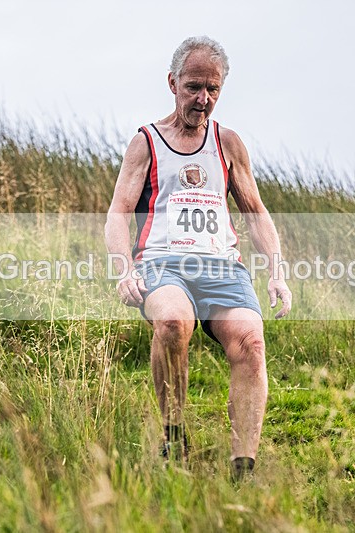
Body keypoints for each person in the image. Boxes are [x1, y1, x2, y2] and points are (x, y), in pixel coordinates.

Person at [104, 36, 292, 480]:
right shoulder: (146, 142)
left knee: (251, 343)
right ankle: (173, 438)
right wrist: (123, 269)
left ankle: (242, 469)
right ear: (172, 83)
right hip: (162, 263)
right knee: (173, 323)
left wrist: (277, 274)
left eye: (213, 89)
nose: (203, 99)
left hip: (223, 268)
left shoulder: (227, 144)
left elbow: (256, 212)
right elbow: (117, 212)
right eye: (193, 87)